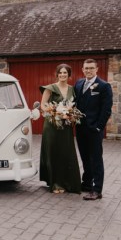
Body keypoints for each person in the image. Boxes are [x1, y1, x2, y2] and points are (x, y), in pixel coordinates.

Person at [38, 64, 81, 194]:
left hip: (66, 127)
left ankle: (67, 182)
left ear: (69, 75)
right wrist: (56, 112)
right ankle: (55, 183)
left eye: (65, 73)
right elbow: (43, 106)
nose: (63, 75)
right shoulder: (50, 88)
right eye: (60, 73)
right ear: (57, 74)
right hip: (52, 126)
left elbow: (74, 106)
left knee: (65, 153)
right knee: (53, 152)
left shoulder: (72, 89)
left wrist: (69, 113)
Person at [75, 59, 113, 200]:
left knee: (96, 159)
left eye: (91, 68)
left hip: (94, 129)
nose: (88, 70)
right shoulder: (79, 84)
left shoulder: (104, 86)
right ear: (83, 69)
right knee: (85, 157)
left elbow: (106, 110)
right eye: (86, 68)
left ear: (96, 69)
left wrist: (98, 127)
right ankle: (86, 184)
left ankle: (97, 190)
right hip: (80, 128)